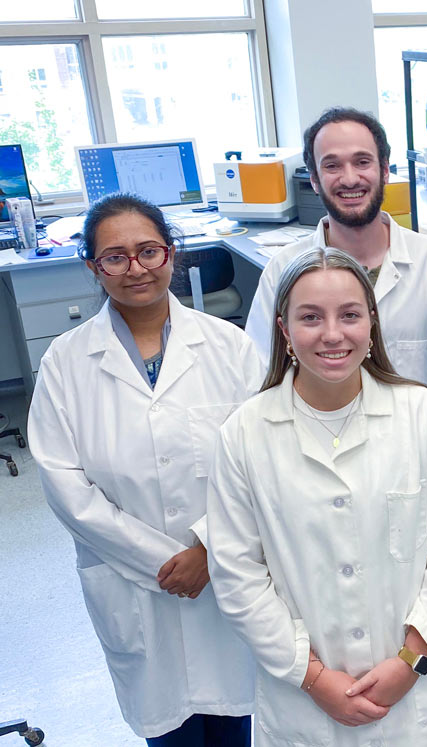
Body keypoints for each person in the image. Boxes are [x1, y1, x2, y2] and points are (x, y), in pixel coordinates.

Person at [206, 246, 427, 746]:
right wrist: (312, 677)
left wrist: (412, 660)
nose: (333, 334)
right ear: (283, 330)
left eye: (350, 315)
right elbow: (237, 574)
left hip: (420, 699)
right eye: (310, 317)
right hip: (305, 707)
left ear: (372, 323)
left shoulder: (422, 414)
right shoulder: (244, 435)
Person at [28, 193, 259, 745]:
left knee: (238, 723)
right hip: (133, 586)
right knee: (169, 731)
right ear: (93, 267)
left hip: (223, 579)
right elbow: (65, 487)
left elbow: (263, 466)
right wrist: (164, 562)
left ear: (172, 255)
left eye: (148, 251)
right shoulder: (65, 363)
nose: (136, 268)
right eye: (115, 257)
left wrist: (208, 549)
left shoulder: (230, 348)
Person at [244, 107, 427, 389]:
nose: (349, 179)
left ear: (384, 171)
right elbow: (259, 376)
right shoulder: (282, 270)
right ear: (313, 180)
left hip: (416, 432)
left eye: (362, 162)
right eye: (332, 165)